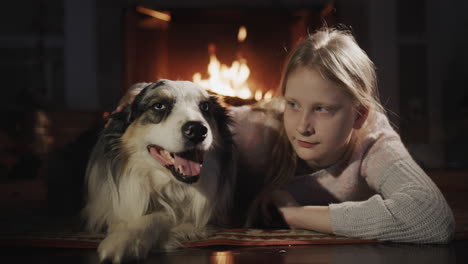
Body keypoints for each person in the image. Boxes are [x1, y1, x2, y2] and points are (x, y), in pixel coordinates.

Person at [112, 27, 455, 244]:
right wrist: (139, 90)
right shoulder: (262, 127)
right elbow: (195, 112)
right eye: (293, 103)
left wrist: (295, 215)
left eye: (322, 109)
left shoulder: (373, 141)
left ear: (358, 114)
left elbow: (431, 218)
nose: (302, 126)